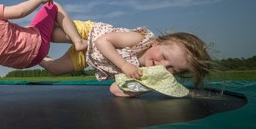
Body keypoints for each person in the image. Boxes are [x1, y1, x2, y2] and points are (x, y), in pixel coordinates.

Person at [41, 19, 212, 97]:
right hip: (89, 35)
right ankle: (21, 32)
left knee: (55, 69)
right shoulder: (141, 40)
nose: (163, 65)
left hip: (88, 57)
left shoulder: (141, 72)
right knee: (51, 35)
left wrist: (148, 84)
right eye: (164, 56)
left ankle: (33, 55)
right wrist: (124, 65)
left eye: (172, 69)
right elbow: (103, 41)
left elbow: (115, 90)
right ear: (156, 43)